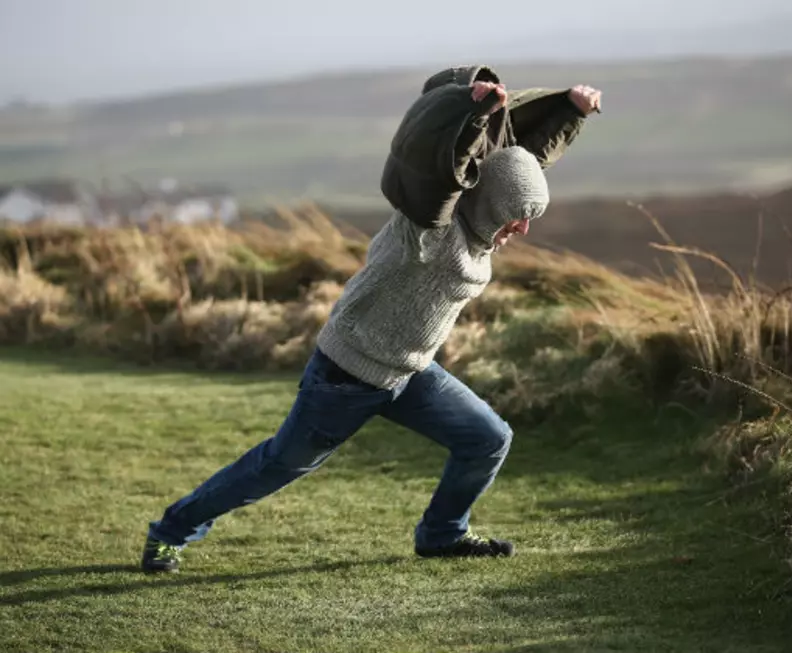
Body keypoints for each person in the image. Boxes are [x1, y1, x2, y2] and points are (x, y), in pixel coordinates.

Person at [141, 65, 602, 573]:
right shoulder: (427, 227)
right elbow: (438, 162)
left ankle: (442, 535)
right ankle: (170, 532)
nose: (524, 227)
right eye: (519, 215)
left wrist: (570, 114)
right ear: (492, 203)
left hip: (410, 373)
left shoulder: (486, 217)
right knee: (276, 466)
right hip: (347, 376)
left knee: (488, 439)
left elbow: (517, 166)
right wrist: (468, 112)